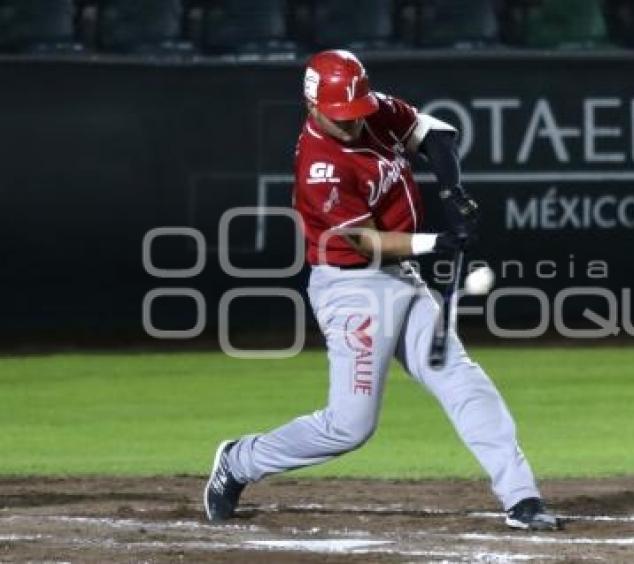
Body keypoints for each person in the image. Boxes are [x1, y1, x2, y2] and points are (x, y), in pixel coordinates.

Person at [204, 49, 559, 531]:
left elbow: (435, 133)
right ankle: (239, 461)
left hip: (403, 277)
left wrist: (452, 191)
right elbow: (365, 241)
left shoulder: (370, 110)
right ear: (312, 107)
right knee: (350, 426)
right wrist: (438, 241)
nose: (353, 124)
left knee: (461, 378)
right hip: (352, 287)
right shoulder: (319, 167)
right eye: (341, 116)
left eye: (356, 111)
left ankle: (522, 498)